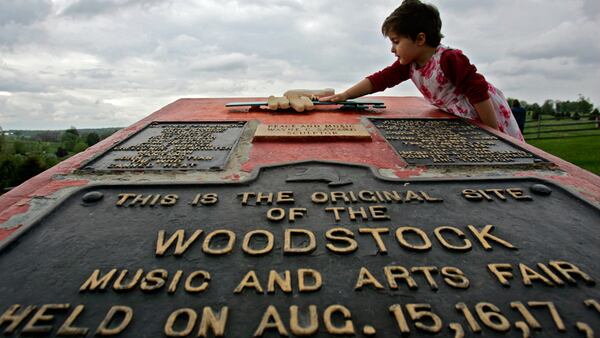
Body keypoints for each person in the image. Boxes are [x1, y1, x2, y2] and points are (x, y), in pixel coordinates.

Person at [274, 0, 524, 141]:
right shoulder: (409, 65)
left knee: (495, 145)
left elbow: (478, 92)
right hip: (457, 114)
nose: (393, 49)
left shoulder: (450, 59)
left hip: (483, 111)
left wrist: (492, 132)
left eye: (396, 41)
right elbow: (379, 80)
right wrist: (344, 96)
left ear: (420, 39)